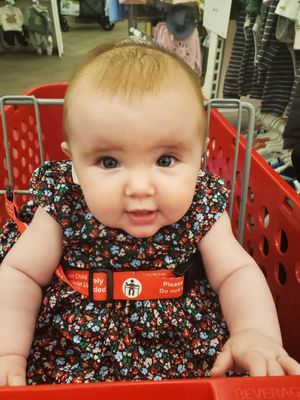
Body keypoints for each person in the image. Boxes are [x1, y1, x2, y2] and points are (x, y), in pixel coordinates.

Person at [0, 41, 300, 386]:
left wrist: (253, 333)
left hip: (183, 347)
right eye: (109, 162)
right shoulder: (65, 203)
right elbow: (21, 273)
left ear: (200, 157)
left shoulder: (201, 203)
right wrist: (9, 351)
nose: (140, 187)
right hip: (75, 350)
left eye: (165, 160)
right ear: (74, 162)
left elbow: (236, 272)